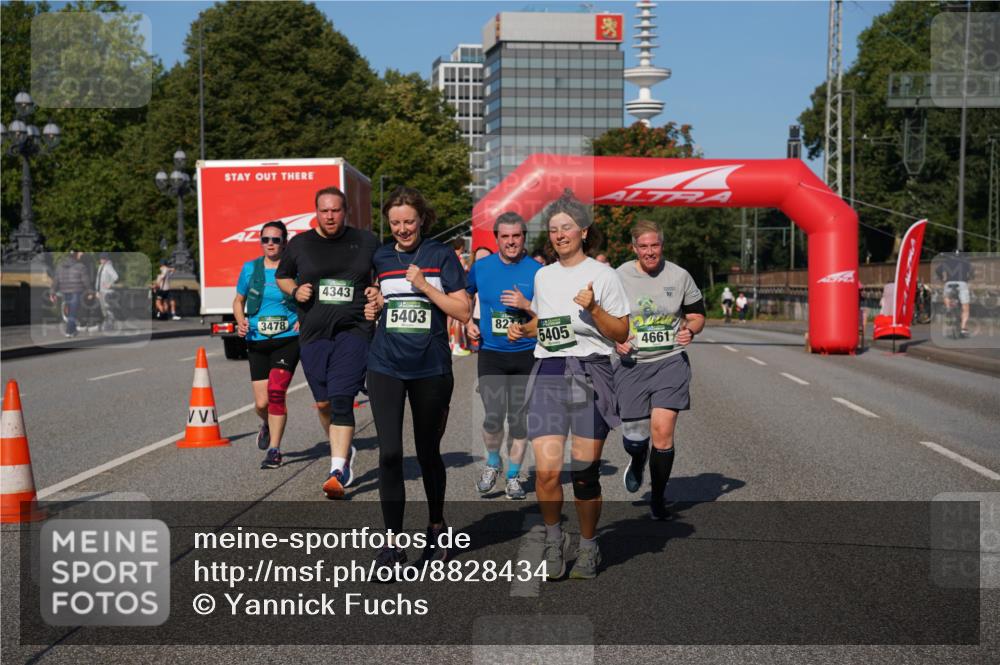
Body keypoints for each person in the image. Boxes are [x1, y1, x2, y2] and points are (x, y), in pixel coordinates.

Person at [507, 191, 629, 580]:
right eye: (554, 229)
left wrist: (593, 308)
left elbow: (621, 331)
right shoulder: (543, 275)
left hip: (591, 370)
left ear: (583, 231)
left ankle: (590, 545)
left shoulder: (604, 275)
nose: (560, 235)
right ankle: (555, 540)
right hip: (548, 369)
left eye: (567, 228)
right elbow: (549, 324)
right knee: (545, 472)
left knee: (584, 473)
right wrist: (522, 329)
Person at [363, 186, 470, 571]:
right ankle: (391, 545)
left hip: (431, 368)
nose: (403, 229)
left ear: (422, 219)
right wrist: (372, 303)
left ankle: (436, 526)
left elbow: (462, 309)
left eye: (409, 221)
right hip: (385, 365)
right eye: (395, 223)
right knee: (390, 454)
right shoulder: (380, 256)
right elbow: (373, 299)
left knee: (428, 454)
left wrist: (424, 286)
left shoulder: (441, 256)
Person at [276, 186, 378, 498]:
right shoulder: (300, 244)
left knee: (343, 396)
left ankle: (338, 468)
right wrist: (295, 291)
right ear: (316, 212)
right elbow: (283, 276)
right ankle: (342, 448)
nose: (330, 216)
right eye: (324, 211)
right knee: (324, 402)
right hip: (313, 334)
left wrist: (378, 293)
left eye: (336, 210)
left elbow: (384, 275)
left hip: (354, 330)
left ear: (345, 211)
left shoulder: (365, 241)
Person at [614, 220, 705, 520]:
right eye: (644, 246)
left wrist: (690, 330)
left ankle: (658, 496)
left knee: (663, 433)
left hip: (670, 362)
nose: (650, 252)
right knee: (635, 438)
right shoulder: (618, 276)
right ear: (634, 248)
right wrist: (616, 340)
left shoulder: (679, 275)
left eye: (655, 245)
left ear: (661, 246)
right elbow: (605, 320)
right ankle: (638, 459)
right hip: (632, 365)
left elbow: (697, 315)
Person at [465, 213, 541, 501]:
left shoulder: (537, 271)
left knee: (519, 420)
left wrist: (526, 305)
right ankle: (493, 462)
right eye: (505, 236)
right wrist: (466, 321)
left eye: (517, 236)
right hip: (492, 354)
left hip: (526, 355)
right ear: (497, 238)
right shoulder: (481, 268)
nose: (511, 242)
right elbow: (463, 294)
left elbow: (550, 314)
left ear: (524, 237)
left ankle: (513, 477)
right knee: (494, 417)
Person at [233, 221, 301, 470]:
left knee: (276, 392)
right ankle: (266, 423)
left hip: (287, 340)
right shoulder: (250, 269)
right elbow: (238, 301)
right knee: (262, 404)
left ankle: (274, 449)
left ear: (285, 241)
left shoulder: (294, 269)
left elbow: (307, 297)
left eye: (275, 239)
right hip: (257, 340)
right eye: (266, 240)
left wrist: (303, 320)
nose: (270, 244)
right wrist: (240, 322)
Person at [935, 250, 973, 337]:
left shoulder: (947, 262)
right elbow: (971, 273)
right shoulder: (965, 262)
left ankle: (948, 308)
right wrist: (968, 278)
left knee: (946, 296)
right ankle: (963, 328)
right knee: (965, 307)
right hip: (962, 283)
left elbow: (937, 270)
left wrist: (942, 279)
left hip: (949, 283)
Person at [51, 251, 88, 337]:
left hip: (65, 292)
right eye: (79, 253)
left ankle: (73, 329)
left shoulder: (60, 266)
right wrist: (90, 290)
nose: (81, 254)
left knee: (71, 311)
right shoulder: (80, 266)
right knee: (73, 311)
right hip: (76, 291)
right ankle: (69, 331)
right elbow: (86, 280)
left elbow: (56, 280)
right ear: (75, 255)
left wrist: (52, 292)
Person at [466, 246, 494, 353]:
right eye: (480, 260)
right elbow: (468, 297)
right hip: (478, 315)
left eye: (486, 259)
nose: (483, 263)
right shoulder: (474, 274)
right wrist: (469, 322)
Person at [95, 252, 119, 332]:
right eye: (101, 258)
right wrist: (97, 291)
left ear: (106, 259)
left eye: (103, 258)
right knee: (103, 309)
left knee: (108, 307)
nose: (101, 260)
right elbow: (98, 280)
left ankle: (111, 324)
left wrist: (110, 284)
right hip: (101, 291)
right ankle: (108, 323)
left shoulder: (109, 266)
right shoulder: (100, 267)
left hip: (107, 291)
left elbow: (116, 277)